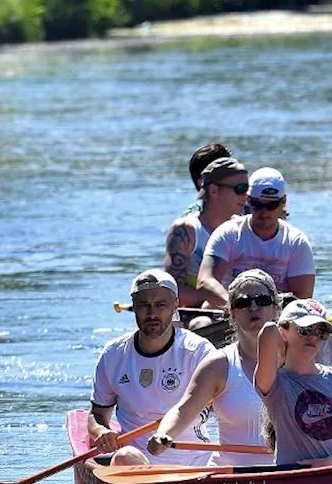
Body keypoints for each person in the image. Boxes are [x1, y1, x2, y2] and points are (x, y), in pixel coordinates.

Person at [146, 269, 280, 467]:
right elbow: (183, 411)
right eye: (243, 302)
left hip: (286, 471)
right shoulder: (218, 364)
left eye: (261, 300)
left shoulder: (295, 361)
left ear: (275, 309)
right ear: (231, 314)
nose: (253, 307)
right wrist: (163, 434)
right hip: (231, 481)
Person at [88, 269, 216, 466]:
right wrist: (102, 432)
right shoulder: (113, 355)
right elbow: (97, 415)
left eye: (160, 305)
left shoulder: (199, 352)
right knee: (124, 456)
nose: (152, 313)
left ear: (175, 306)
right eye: (143, 305)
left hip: (196, 462)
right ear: (134, 307)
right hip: (137, 461)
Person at [254, 298, 332, 466]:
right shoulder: (275, 382)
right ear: (283, 331)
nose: (313, 336)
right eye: (305, 329)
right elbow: (268, 330)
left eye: (321, 331)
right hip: (291, 480)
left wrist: (330, 462)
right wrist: (282, 352)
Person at [197, 167, 315, 307]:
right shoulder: (228, 234)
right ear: (248, 200)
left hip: (277, 318)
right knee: (199, 324)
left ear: (283, 202)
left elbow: (302, 297)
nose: (264, 212)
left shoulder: (296, 242)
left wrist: (265, 313)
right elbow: (205, 281)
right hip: (229, 313)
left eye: (272, 205)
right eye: (258, 205)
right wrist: (238, 308)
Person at [164, 156, 248, 307]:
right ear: (214, 191)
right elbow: (172, 292)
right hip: (197, 316)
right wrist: (224, 302)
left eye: (247, 189)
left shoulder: (245, 228)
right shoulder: (186, 230)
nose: (246, 196)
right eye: (240, 189)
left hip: (239, 310)